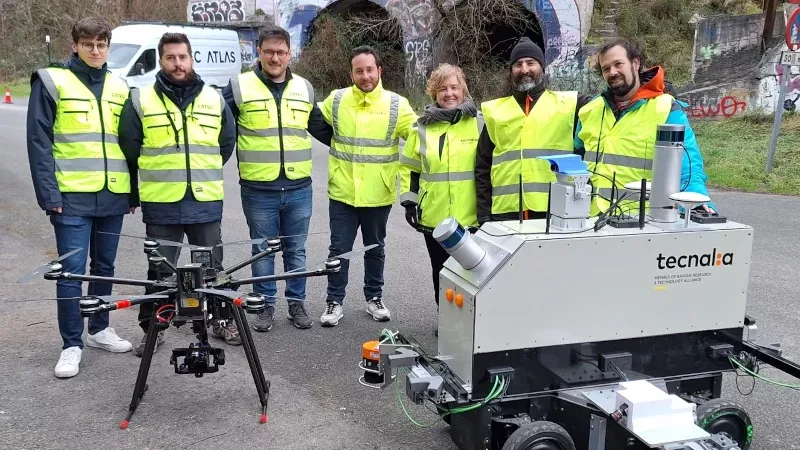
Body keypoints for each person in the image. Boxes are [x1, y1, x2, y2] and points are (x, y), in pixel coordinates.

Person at [26, 17, 134, 378]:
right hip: (70, 195)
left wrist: (132, 190)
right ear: (74, 45)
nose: (95, 50)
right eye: (88, 44)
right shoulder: (52, 81)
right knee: (71, 272)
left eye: (101, 44)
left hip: (113, 193)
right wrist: (48, 193)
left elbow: (130, 144)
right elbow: (39, 141)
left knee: (105, 268)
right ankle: (71, 344)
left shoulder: (121, 86)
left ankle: (100, 328)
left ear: (108, 46)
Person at [118, 32, 238, 355]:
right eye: (170, 58)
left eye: (182, 57)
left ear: (191, 58)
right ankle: (154, 329)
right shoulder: (141, 100)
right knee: (160, 271)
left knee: (212, 267)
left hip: (204, 200)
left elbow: (226, 143)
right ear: (161, 61)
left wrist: (200, 168)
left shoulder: (214, 99)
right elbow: (130, 147)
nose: (177, 63)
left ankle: (220, 320)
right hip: (162, 203)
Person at [222, 25, 332, 332]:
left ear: (289, 54)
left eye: (281, 52)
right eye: (269, 51)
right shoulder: (240, 86)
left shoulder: (305, 88)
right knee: (263, 249)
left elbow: (321, 128)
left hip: (299, 187)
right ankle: (266, 304)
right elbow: (220, 125)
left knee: (296, 250)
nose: (275, 57)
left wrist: (354, 142)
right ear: (259, 52)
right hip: (259, 189)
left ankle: (296, 303)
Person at [318, 45, 418, 327]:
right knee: (339, 250)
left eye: (369, 69)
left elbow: (418, 135)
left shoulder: (396, 104)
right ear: (351, 73)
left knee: (375, 248)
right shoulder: (336, 100)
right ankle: (334, 301)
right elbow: (316, 122)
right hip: (343, 192)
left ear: (379, 71)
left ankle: (374, 298)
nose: (365, 76)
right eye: (359, 71)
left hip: (378, 192)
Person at [574, 39, 716, 216]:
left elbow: (688, 165)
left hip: (642, 222)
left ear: (635, 63)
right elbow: (576, 162)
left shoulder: (666, 109)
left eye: (618, 64)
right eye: (606, 68)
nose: (612, 72)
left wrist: (695, 201)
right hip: (591, 219)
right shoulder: (589, 111)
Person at [476, 37, 592, 225]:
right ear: (511, 71)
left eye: (531, 63)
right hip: (506, 211)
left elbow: (607, 105)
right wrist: (483, 213)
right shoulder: (494, 111)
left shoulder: (569, 104)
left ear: (542, 68)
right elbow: (482, 166)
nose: (524, 70)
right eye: (518, 64)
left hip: (555, 209)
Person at [398, 63, 481, 313]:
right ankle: (446, 319)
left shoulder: (479, 124)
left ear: (463, 90)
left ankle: (472, 321)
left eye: (455, 87)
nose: (449, 93)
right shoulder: (421, 128)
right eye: (442, 89)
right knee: (442, 271)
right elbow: (410, 168)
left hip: (472, 215)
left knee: (473, 271)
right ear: (434, 93)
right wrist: (409, 201)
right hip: (435, 216)